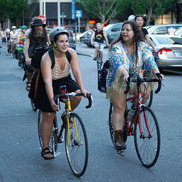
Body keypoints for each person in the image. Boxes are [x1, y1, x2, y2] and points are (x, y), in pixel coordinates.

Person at [106, 21, 164, 150]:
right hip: (119, 79)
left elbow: (149, 59)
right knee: (119, 107)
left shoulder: (142, 46)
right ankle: (118, 136)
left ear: (135, 32)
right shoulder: (117, 46)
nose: (124, 32)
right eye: (122, 29)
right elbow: (118, 61)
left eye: (127, 30)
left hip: (136, 78)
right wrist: (125, 74)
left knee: (145, 92)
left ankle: (132, 112)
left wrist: (157, 73)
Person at [38, 27, 89, 159]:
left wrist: (82, 89)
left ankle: (65, 115)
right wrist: (52, 101)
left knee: (77, 95)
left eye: (66, 41)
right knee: (48, 115)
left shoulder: (70, 52)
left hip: (65, 79)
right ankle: (45, 147)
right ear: (54, 43)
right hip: (49, 83)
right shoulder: (47, 57)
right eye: (61, 41)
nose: (65, 44)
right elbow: (48, 82)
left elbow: (76, 72)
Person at [24, 19, 48, 91]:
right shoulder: (29, 37)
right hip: (32, 56)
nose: (39, 27)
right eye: (37, 26)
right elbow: (25, 47)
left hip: (44, 55)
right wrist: (27, 57)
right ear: (34, 27)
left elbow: (50, 45)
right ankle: (29, 81)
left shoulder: (46, 35)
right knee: (28, 65)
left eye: (40, 25)